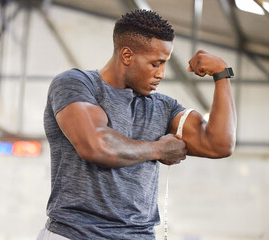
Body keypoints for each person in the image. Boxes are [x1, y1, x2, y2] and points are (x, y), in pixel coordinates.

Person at [38, 9, 237, 240]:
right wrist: (158, 149)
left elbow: (220, 144)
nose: (161, 73)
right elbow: (96, 145)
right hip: (75, 234)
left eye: (165, 64)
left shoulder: (162, 106)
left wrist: (222, 74)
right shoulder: (77, 84)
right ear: (127, 56)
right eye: (156, 63)